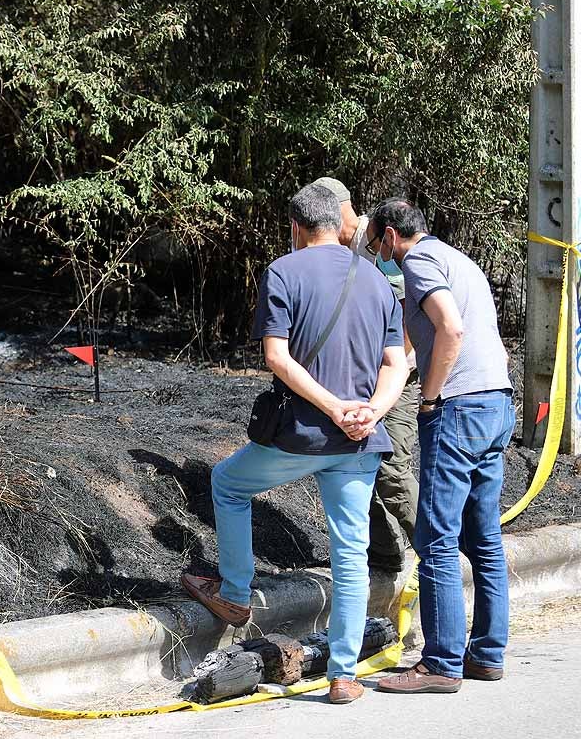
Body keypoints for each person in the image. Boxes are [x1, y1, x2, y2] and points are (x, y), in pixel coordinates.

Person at [181, 182, 408, 705]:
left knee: (228, 483)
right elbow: (396, 364)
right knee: (350, 554)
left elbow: (278, 359)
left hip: (303, 435)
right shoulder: (376, 278)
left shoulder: (284, 271)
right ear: (341, 221)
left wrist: (332, 410)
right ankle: (344, 674)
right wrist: (370, 411)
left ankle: (235, 596)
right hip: (360, 440)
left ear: (295, 227)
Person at [371, 199, 515, 695]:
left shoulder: (417, 262)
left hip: (459, 408)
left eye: (375, 244)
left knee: (436, 539)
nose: (377, 253)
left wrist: (430, 398)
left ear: (391, 236)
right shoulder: (459, 259)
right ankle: (487, 655)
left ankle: (440, 663)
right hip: (496, 402)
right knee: (484, 537)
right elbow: (425, 340)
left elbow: (451, 330)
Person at [314, 178, 420, 573]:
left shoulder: (374, 243)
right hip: (362, 376)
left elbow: (410, 309)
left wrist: (393, 369)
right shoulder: (338, 250)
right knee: (358, 463)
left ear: (338, 209)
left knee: (392, 473)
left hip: (399, 377)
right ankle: (387, 555)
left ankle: (441, 556)